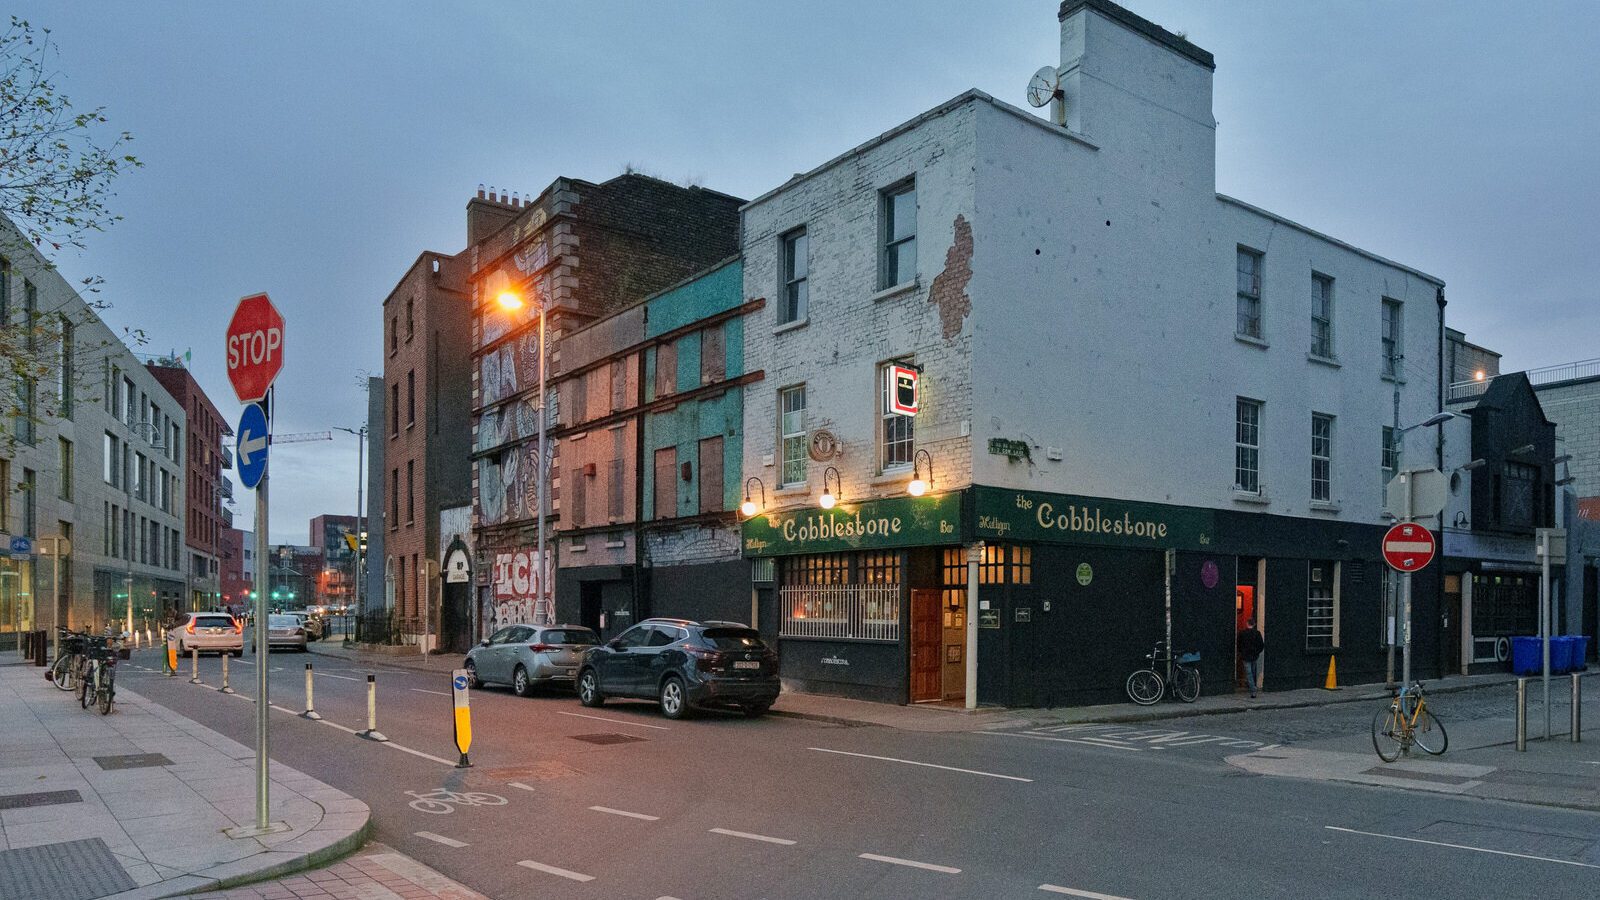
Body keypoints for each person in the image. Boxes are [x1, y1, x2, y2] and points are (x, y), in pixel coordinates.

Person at [1237, 618, 1265, 698]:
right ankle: (1253, 688)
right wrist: (1257, 652)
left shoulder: (1242, 633)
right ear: (1254, 624)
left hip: (1245, 656)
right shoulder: (1257, 633)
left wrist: (1241, 652)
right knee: (1252, 672)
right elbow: (1261, 645)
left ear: (1247, 624)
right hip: (1254, 656)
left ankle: (1253, 690)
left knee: (1249, 673)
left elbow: (1238, 644)